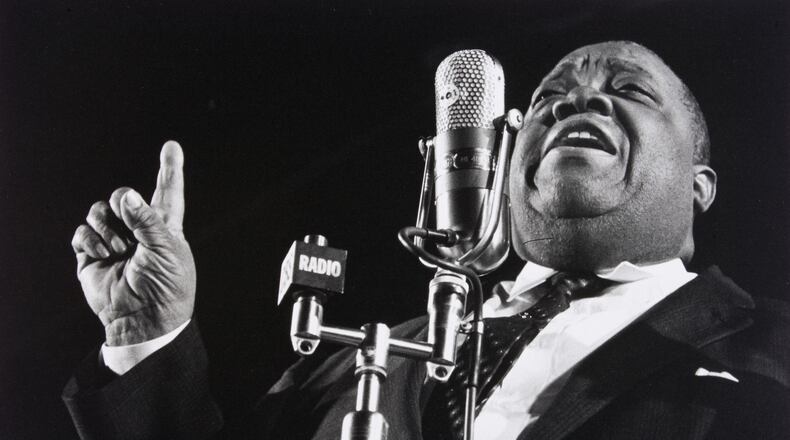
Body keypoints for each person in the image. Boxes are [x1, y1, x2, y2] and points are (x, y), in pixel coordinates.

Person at [63, 41, 790, 439]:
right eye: (547, 98)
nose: (579, 98)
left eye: (629, 91)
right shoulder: (352, 362)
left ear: (701, 184)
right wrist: (147, 338)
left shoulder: (774, 354)